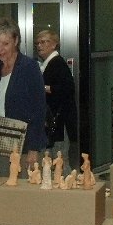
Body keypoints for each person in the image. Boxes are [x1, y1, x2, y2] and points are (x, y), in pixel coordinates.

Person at [0, 18, 47, 177]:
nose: (0, 49)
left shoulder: (29, 67)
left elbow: (39, 109)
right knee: (2, 189)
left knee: (25, 190)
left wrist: (34, 148)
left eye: (5, 43)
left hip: (26, 146)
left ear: (16, 41)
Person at [36, 29, 78, 173]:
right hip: (55, 120)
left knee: (60, 160)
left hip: (59, 121)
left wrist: (43, 87)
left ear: (54, 44)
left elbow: (68, 88)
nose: (39, 45)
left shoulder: (57, 63)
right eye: (37, 43)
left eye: (44, 42)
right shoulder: (48, 63)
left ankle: (67, 184)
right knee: (55, 160)